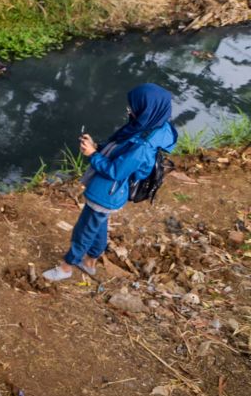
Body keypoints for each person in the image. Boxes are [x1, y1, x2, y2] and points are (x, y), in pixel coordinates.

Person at [43, 83, 178, 282]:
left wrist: (93, 155)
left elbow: (116, 171)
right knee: (99, 223)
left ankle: (66, 267)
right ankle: (90, 262)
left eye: (132, 107)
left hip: (107, 192)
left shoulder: (143, 146)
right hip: (109, 193)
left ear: (147, 109)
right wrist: (98, 147)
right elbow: (119, 149)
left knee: (84, 230)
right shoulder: (149, 126)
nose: (129, 110)